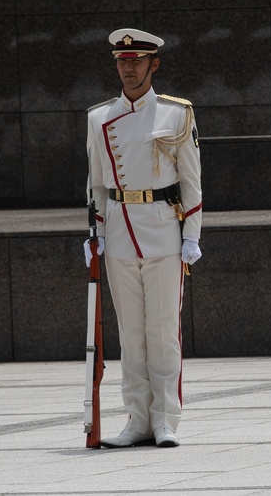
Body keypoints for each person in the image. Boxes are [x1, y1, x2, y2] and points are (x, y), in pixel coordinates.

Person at [85, 28, 203, 449]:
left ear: (154, 64)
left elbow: (191, 181)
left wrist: (191, 235)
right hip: (118, 231)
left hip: (162, 230)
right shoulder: (98, 117)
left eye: (137, 61)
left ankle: (166, 418)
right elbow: (97, 184)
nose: (129, 67)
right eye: (122, 61)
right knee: (131, 333)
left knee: (163, 330)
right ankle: (137, 418)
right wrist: (95, 231)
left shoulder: (175, 113)